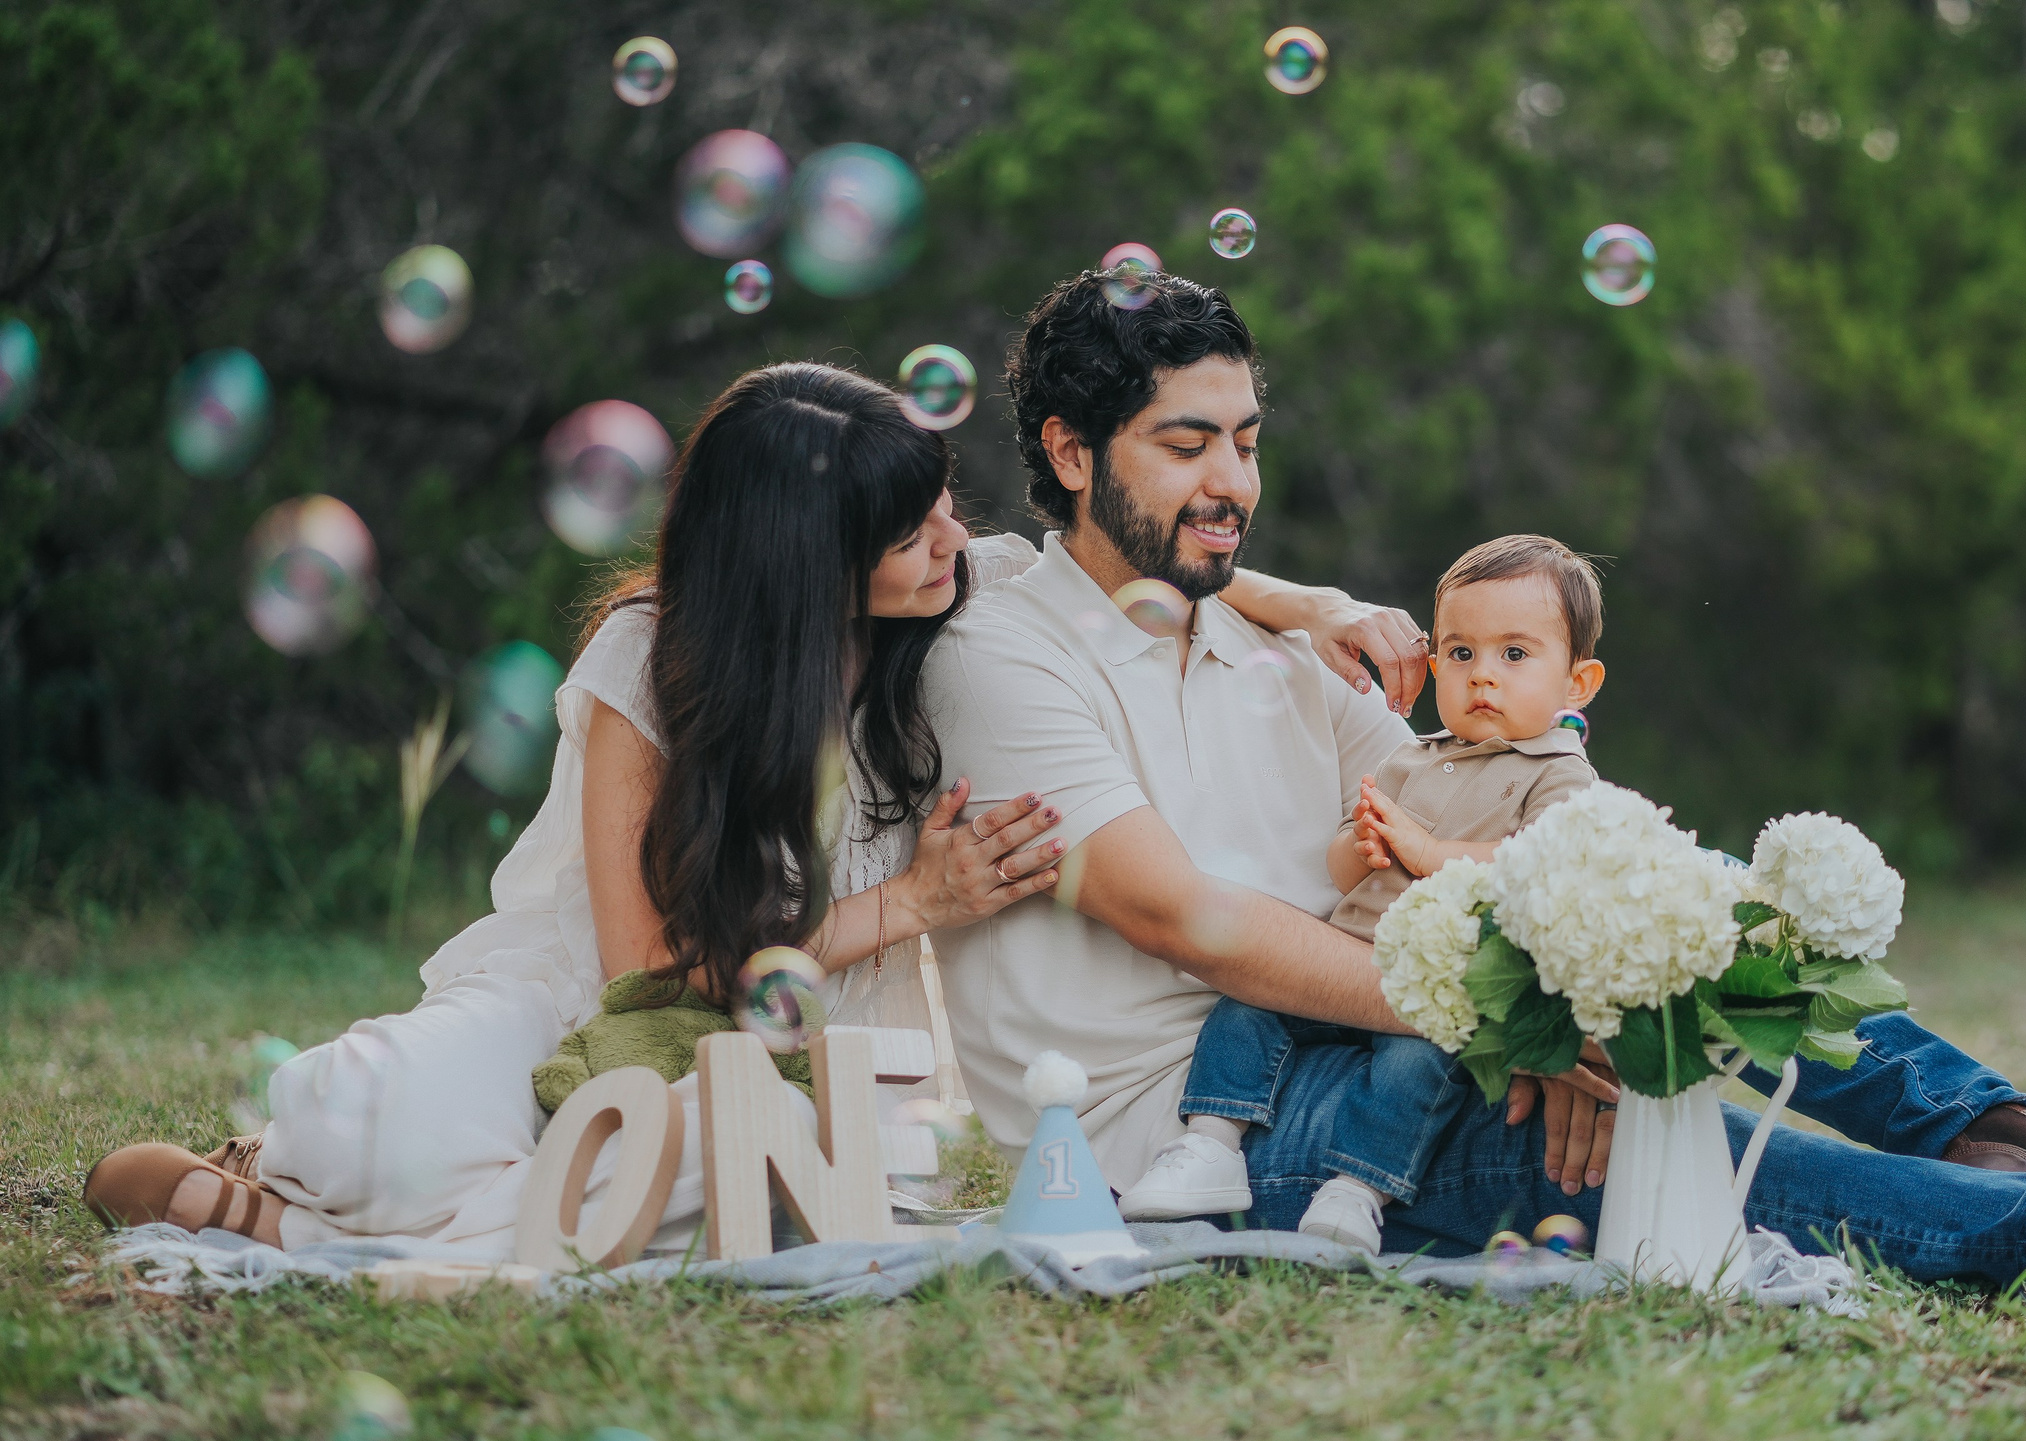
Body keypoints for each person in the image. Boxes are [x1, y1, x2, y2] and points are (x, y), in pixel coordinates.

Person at [922, 268, 2026, 1296]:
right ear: (1066, 450)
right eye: (1186, 444)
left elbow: (1498, 804)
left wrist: (1611, 965)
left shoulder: (1267, 645)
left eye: (1247, 439)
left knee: (1689, 932)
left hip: (1373, 1031)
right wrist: (1520, 1026)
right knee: (1645, 1142)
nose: (1233, 482)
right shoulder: (996, 645)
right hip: (1194, 1127)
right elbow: (1190, 921)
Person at [80, 362, 1435, 1251]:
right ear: (809, 564)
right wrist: (919, 900)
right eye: (911, 534)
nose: (955, 546)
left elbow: (1109, 564)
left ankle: (292, 1227)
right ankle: (296, 1157)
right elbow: (642, 973)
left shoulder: (954, 594)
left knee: (686, 1188)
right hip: (597, 1013)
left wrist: (1307, 602)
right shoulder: (651, 661)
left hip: (797, 1055)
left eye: (945, 512)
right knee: (391, 1112)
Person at [1118, 534, 1609, 1255]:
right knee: (1251, 1002)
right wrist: (1363, 845)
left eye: (1515, 654)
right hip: (1348, 954)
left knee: (1415, 1071)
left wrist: (1432, 854)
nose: (1483, 677)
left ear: (1577, 683)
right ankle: (1211, 1140)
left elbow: (1543, 867)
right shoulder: (1417, 752)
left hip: (1442, 984)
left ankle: (1359, 1189)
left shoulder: (1560, 772)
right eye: (1461, 653)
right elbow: (1347, 860)